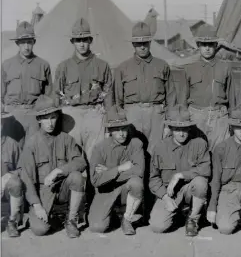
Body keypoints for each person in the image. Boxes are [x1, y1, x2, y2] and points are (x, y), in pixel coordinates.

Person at [18, 95, 87, 238]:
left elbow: (81, 162)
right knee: (40, 230)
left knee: (77, 177)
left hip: (62, 187)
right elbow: (26, 178)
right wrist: (37, 205)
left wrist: (58, 171)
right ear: (38, 120)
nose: (49, 123)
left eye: (53, 117)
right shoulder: (31, 143)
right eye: (45, 118)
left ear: (57, 117)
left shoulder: (66, 139)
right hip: (43, 192)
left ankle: (71, 220)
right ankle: (52, 216)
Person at [111, 22, 177, 152]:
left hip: (156, 114)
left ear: (150, 43)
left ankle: (154, 174)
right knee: (134, 151)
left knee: (156, 151)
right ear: (133, 44)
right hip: (132, 115)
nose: (142, 46)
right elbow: (117, 100)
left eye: (145, 42)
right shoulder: (123, 68)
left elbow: (171, 97)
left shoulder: (162, 65)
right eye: (138, 43)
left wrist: (169, 124)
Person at [54, 18, 112, 158]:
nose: (81, 44)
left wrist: (110, 121)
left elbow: (109, 94)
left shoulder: (102, 65)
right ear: (72, 42)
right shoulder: (63, 67)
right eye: (78, 40)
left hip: (95, 113)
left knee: (95, 155)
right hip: (71, 115)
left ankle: (94, 180)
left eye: (85, 40)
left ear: (90, 40)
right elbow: (56, 95)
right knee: (73, 156)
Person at [149, 105, 211, 236]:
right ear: (171, 129)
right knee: (157, 226)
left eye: (184, 129)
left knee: (200, 182)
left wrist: (180, 175)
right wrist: (165, 197)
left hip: (189, 189)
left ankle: (193, 219)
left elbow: (205, 169)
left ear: (189, 128)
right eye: (177, 129)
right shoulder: (160, 147)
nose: (181, 133)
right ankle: (179, 214)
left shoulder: (199, 143)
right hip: (169, 193)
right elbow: (154, 179)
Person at [182, 24, 239, 151]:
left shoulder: (225, 68)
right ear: (198, 45)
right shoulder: (189, 68)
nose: (207, 48)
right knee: (196, 153)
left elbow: (232, 98)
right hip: (196, 117)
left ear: (215, 45)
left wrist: (232, 121)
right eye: (203, 44)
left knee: (220, 154)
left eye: (211, 44)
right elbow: (182, 99)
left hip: (219, 117)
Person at [88, 106, 144, 235]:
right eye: (117, 130)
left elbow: (139, 171)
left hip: (126, 188)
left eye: (124, 128)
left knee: (136, 183)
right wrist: (118, 169)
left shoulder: (136, 144)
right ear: (110, 131)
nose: (121, 133)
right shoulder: (100, 148)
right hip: (106, 190)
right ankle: (112, 214)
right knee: (97, 227)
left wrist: (108, 172)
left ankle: (127, 219)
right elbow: (95, 180)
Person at [1, 21, 52, 148]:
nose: (26, 46)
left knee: (33, 151)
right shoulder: (6, 65)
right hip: (12, 116)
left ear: (34, 42)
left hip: (34, 116)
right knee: (10, 153)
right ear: (17, 43)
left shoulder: (43, 65)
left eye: (29, 42)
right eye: (23, 43)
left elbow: (49, 96)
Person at [1, 108, 23, 237]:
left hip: (5, 187)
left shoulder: (12, 144)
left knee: (15, 183)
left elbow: (22, 168)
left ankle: (12, 221)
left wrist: (10, 175)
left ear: (3, 124)